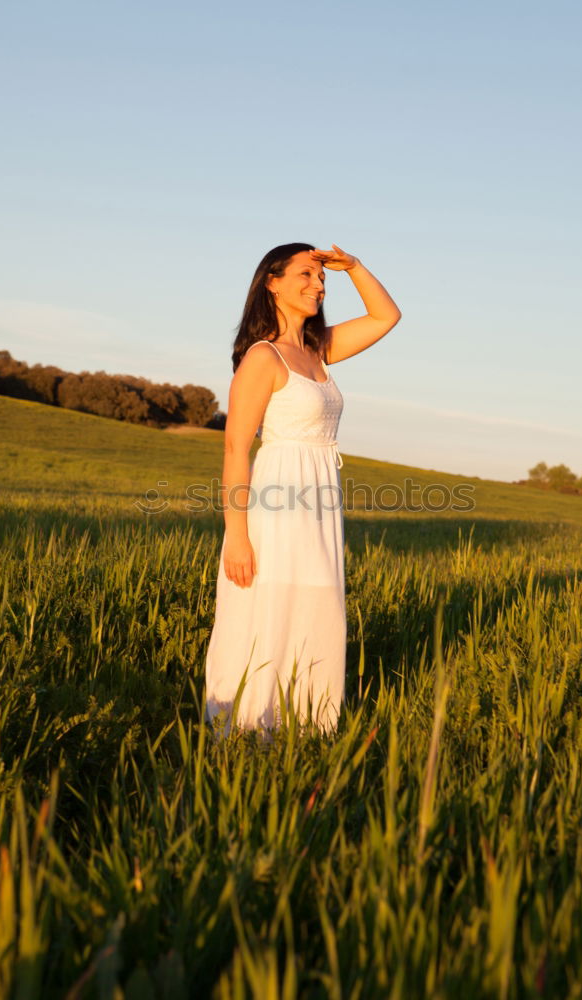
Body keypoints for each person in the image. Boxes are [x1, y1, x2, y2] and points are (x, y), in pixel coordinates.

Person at [204, 242, 401, 735]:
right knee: (266, 608)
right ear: (272, 281)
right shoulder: (263, 358)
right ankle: (247, 729)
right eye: (306, 275)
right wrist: (237, 536)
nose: (318, 285)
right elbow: (234, 451)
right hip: (276, 503)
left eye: (321, 279)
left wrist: (353, 267)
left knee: (318, 606)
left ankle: (308, 725)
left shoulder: (317, 350)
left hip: (319, 503)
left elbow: (385, 316)